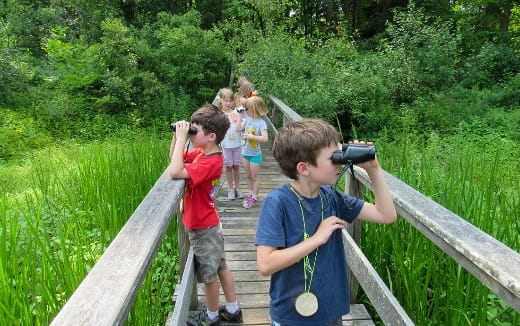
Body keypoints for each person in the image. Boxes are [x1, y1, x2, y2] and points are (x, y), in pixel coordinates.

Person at [255, 119, 397, 326]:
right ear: (304, 168)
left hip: (331, 311)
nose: (340, 162)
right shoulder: (277, 202)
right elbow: (265, 264)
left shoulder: (330, 196)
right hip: (292, 316)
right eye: (334, 157)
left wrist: (373, 169)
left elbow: (386, 215)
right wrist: (316, 239)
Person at [168, 104, 243, 326]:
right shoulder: (203, 152)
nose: (190, 133)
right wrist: (177, 137)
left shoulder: (211, 162)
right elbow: (176, 158)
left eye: (194, 130)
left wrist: (183, 138)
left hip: (202, 227)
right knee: (221, 266)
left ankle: (211, 318)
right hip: (209, 223)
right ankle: (232, 309)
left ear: (211, 136)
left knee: (209, 276)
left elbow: (175, 171)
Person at [236, 96, 269, 208]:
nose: (246, 110)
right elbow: (238, 129)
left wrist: (253, 137)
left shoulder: (261, 123)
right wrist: (240, 117)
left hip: (255, 154)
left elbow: (265, 139)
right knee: (248, 175)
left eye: (247, 108)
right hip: (245, 152)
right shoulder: (247, 120)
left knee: (254, 177)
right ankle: (250, 194)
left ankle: (254, 197)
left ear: (254, 109)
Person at [217, 88, 244, 200]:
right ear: (221, 101)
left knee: (236, 166)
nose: (228, 103)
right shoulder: (219, 115)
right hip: (226, 146)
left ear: (233, 101)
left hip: (237, 145)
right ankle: (231, 189)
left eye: (230, 101)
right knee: (229, 167)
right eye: (225, 100)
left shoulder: (236, 113)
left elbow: (241, 126)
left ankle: (237, 187)